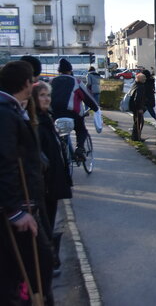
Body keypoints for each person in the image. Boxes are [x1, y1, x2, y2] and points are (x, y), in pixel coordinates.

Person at [0, 61, 54, 305]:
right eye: (33, 80)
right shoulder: (5, 112)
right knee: (37, 261)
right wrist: (16, 211)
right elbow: (6, 163)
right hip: (18, 207)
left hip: (25, 202)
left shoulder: (11, 108)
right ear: (26, 83)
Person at [32, 81, 72, 275]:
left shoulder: (46, 118)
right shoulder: (35, 123)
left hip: (52, 184)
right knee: (44, 225)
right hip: (44, 186)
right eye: (42, 95)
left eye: (48, 95)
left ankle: (49, 262)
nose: (47, 99)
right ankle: (47, 264)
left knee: (49, 223)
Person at [50, 58, 99, 162]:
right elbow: (87, 97)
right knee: (81, 130)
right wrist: (95, 108)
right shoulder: (76, 82)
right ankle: (80, 149)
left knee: (55, 133)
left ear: (59, 71)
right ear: (70, 70)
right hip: (72, 113)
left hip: (54, 114)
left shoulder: (52, 81)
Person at [128, 72, 147, 142]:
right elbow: (138, 99)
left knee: (137, 122)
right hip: (137, 108)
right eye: (144, 78)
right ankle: (136, 137)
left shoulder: (135, 85)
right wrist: (140, 108)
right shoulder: (140, 87)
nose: (145, 79)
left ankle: (135, 137)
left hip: (133, 106)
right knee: (139, 122)